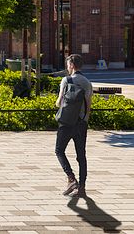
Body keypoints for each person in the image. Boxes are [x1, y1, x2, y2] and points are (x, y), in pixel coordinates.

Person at [55, 54, 92, 198]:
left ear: (71, 65)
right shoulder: (87, 82)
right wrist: (84, 119)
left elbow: (59, 102)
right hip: (81, 123)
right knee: (81, 156)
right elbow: (88, 106)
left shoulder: (66, 80)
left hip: (66, 123)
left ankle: (71, 178)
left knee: (59, 150)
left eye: (67, 64)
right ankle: (82, 188)